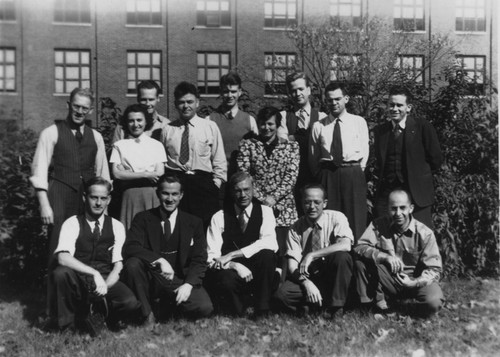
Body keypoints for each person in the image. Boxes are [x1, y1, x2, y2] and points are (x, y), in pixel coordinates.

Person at [48, 177, 141, 335]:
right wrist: (93, 273)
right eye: (94, 197)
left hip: (105, 278)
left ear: (109, 200)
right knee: (61, 273)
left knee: (129, 302)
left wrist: (106, 286)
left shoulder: (117, 226)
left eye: (103, 198)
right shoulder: (72, 223)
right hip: (78, 279)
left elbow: (118, 264)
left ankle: (102, 317)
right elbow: (62, 257)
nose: (98, 203)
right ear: (85, 198)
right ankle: (67, 328)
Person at [122, 174, 213, 323]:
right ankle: (147, 315)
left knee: (204, 307)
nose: (170, 199)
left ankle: (167, 309)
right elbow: (130, 247)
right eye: (165, 193)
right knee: (132, 264)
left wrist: (188, 285)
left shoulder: (194, 222)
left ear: (181, 195)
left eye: (174, 194)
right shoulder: (143, 218)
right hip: (152, 277)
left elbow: (199, 258)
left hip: (178, 280)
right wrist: (159, 260)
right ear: (158, 193)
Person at [354, 189, 444, 317]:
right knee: (361, 262)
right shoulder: (378, 225)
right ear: (388, 209)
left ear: (411, 208)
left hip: (416, 281)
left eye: (402, 208)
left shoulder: (425, 233)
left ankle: (412, 309)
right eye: (394, 208)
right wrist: (384, 257)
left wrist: (414, 282)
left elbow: (434, 270)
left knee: (433, 303)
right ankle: (372, 306)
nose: (398, 213)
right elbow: (360, 247)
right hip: (390, 279)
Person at [205, 172, 278, 318]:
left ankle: (262, 310)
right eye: (238, 191)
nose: (243, 195)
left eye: (246, 190)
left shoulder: (266, 212)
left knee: (267, 255)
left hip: (259, 271)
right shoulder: (219, 216)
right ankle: (237, 313)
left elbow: (270, 243)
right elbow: (212, 257)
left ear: (253, 189)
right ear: (231, 192)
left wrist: (232, 254)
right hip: (232, 273)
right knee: (225, 279)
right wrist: (234, 265)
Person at [237, 106, 300, 278]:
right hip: (257, 205)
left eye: (271, 124)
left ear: (278, 125)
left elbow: (291, 176)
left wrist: (275, 198)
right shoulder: (247, 145)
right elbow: (245, 175)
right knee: (261, 248)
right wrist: (263, 199)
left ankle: (282, 285)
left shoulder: (292, 147)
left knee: (284, 249)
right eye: (262, 124)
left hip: (283, 207)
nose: (266, 127)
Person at [274, 184, 353, 317]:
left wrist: (311, 255)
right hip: (309, 275)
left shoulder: (336, 217)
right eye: (307, 202)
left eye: (317, 202)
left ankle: (336, 308)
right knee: (282, 295)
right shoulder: (295, 228)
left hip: (332, 275)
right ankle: (313, 306)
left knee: (342, 257)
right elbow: (292, 266)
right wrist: (306, 283)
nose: (312, 207)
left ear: (325, 203)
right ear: (302, 203)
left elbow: (346, 245)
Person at [373, 86, 442, 228]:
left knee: (420, 236)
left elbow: (436, 159)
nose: (395, 109)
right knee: (387, 236)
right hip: (388, 193)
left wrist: (419, 177)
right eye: (391, 105)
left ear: (408, 107)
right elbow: (380, 163)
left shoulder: (422, 127)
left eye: (399, 105)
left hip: (417, 194)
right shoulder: (381, 131)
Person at [161, 81, 227, 228]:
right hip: (177, 184)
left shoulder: (209, 127)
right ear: (175, 104)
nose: (186, 106)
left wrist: (215, 184)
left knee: (204, 229)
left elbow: (219, 160)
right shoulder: (168, 130)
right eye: (181, 102)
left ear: (197, 102)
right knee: (177, 228)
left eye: (190, 102)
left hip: (203, 185)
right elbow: (162, 162)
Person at [309, 82, 369, 241]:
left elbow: (365, 152)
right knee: (329, 220)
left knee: (356, 219)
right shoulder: (318, 126)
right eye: (330, 100)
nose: (334, 103)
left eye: (338, 99)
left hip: (353, 174)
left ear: (346, 99)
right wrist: (323, 176)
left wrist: (354, 172)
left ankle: (357, 259)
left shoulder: (358, 122)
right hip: (329, 175)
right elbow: (313, 158)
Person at [109, 103, 167, 229]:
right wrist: (147, 174)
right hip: (129, 196)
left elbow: (159, 173)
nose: (136, 124)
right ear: (126, 123)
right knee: (131, 231)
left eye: (139, 120)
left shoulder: (156, 145)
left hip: (151, 195)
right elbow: (117, 174)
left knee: (152, 231)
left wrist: (129, 173)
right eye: (131, 121)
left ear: (146, 121)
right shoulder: (119, 145)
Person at [278, 72, 327, 215]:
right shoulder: (283, 117)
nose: (297, 93)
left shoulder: (322, 117)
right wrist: (308, 138)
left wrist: (293, 137)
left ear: (309, 90)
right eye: (293, 90)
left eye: (300, 89)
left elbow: (323, 147)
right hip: (291, 179)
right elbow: (283, 143)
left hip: (315, 176)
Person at [208, 72, 259, 176]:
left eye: (233, 91)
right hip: (217, 177)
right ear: (221, 93)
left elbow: (256, 153)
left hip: (241, 179)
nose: (230, 95)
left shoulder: (250, 120)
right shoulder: (210, 120)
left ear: (240, 92)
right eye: (226, 92)